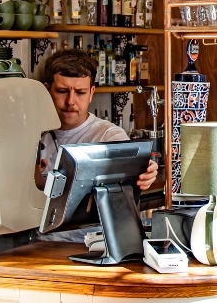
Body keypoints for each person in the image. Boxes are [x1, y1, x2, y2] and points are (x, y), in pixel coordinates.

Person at [35, 48, 157, 242]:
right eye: (62, 91)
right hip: (36, 244)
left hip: (89, 245)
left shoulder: (108, 136)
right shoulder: (32, 134)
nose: (70, 101)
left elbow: (130, 169)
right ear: (46, 90)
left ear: (91, 93)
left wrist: (145, 171)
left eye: (80, 92)